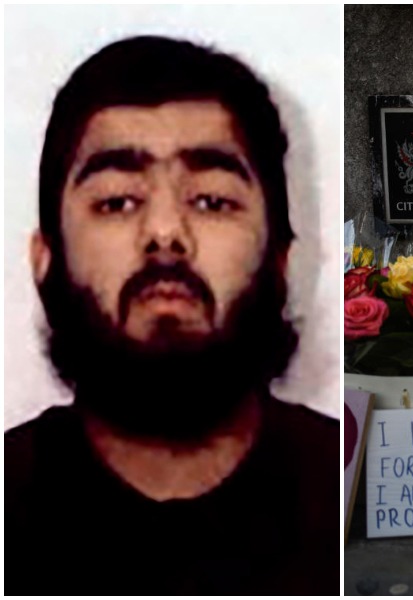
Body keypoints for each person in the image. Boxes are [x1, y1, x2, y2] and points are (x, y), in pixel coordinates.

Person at [5, 36, 340, 594]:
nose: (164, 233)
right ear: (45, 259)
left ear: (282, 259)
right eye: (117, 201)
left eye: (210, 200)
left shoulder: (352, 487)